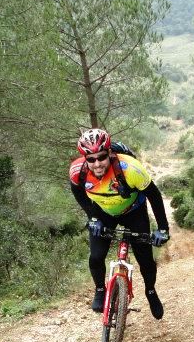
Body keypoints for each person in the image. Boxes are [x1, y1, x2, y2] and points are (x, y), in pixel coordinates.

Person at [69, 128, 170, 319]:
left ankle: (150, 291)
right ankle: (100, 289)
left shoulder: (130, 169)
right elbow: (78, 192)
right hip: (103, 212)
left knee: (146, 260)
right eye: (91, 159)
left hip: (134, 211)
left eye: (101, 157)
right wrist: (93, 217)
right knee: (96, 256)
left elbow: (154, 196)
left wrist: (163, 229)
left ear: (109, 153)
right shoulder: (78, 171)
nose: (97, 164)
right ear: (85, 158)